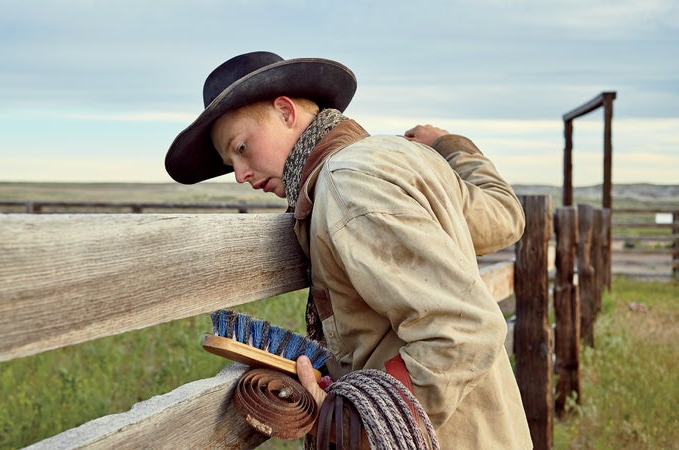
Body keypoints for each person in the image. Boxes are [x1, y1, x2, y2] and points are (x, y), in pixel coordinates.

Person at [166, 51, 532, 449]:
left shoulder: (347, 184)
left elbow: (462, 332)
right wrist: (449, 145)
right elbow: (505, 215)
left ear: (286, 112)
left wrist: (354, 424)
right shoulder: (396, 159)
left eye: (241, 147)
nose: (240, 175)